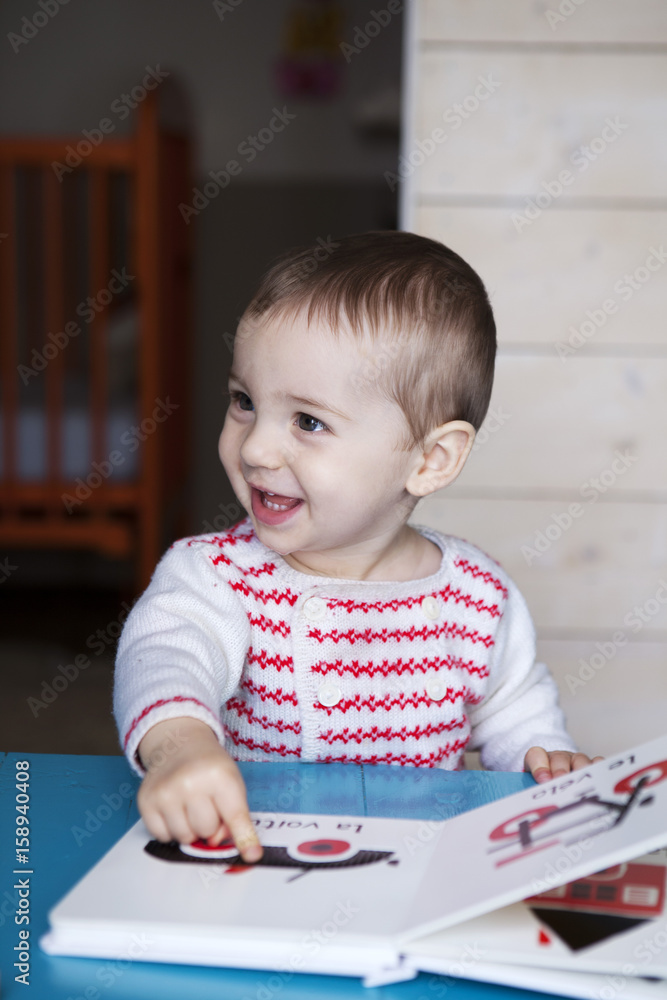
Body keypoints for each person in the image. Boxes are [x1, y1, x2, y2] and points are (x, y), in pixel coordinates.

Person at [114, 231, 601, 864]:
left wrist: (545, 760)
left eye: (308, 421)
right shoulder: (215, 575)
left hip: (417, 866)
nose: (256, 448)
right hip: (254, 852)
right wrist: (183, 750)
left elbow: (516, 707)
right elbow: (165, 655)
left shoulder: (477, 599)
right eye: (244, 403)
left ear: (429, 459)